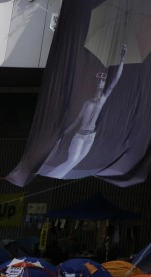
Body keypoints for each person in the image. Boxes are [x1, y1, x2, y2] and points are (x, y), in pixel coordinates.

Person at [42, 43, 127, 177]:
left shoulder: (104, 98)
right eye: (100, 78)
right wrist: (63, 134)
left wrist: (122, 59)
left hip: (90, 136)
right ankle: (54, 175)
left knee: (77, 161)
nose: (102, 80)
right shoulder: (87, 103)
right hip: (80, 136)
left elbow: (116, 79)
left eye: (104, 79)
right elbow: (77, 121)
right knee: (72, 160)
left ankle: (57, 175)